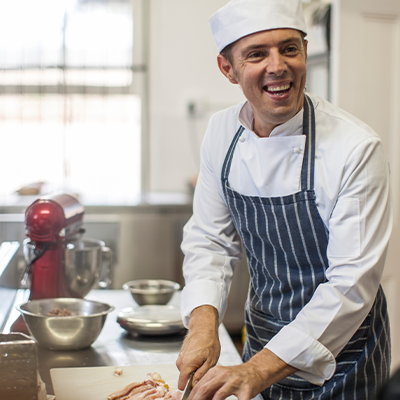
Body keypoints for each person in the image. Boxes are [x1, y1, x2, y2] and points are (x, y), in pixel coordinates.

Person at [176, 0, 392, 399]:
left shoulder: (355, 148)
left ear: (305, 52)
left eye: (289, 49)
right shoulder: (221, 133)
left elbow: (351, 284)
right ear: (228, 69)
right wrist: (203, 326)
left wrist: (257, 370)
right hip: (262, 337)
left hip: (344, 358)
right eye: (257, 54)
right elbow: (210, 240)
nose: (277, 66)